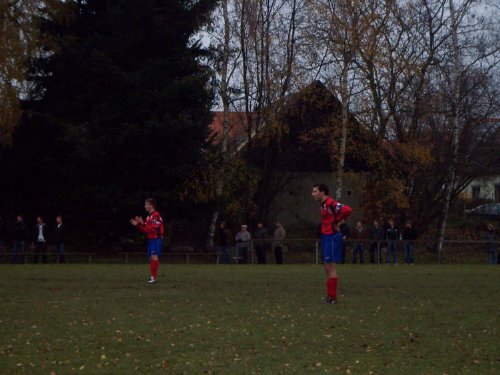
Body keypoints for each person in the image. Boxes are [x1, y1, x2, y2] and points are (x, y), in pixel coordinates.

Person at [312, 183, 352, 304]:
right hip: (326, 236)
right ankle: (330, 296)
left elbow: (347, 209)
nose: (313, 194)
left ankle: (332, 298)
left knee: (330, 266)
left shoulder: (330, 203)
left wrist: (336, 221)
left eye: (315, 191)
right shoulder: (323, 205)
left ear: (322, 192)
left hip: (331, 237)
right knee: (326, 266)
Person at [130, 198, 165, 283]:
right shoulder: (149, 217)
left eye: (146, 204)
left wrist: (140, 224)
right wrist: (139, 225)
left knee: (154, 256)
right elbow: (146, 229)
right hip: (151, 239)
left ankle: (154, 278)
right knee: (151, 258)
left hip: (156, 238)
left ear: (151, 205)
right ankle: (153, 276)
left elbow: (151, 229)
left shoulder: (155, 215)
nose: (145, 206)